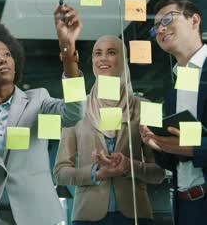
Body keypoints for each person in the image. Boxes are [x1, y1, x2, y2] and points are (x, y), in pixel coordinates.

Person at [0, 3, 84, 225]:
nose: (2, 59)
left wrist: (68, 50)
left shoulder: (37, 100)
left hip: (37, 217)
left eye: (7, 54)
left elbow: (74, 112)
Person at [53, 35, 165, 225]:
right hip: (88, 216)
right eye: (98, 53)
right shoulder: (76, 108)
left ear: (123, 60)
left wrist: (129, 166)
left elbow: (160, 172)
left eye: (111, 52)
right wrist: (96, 173)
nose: (103, 58)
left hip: (136, 215)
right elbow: (60, 172)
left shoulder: (146, 107)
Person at [140, 0, 207, 225]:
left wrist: (193, 148)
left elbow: (191, 148)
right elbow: (176, 161)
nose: (160, 29)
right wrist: (157, 145)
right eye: (155, 26)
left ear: (194, 20)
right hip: (185, 206)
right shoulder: (174, 89)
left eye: (168, 19)